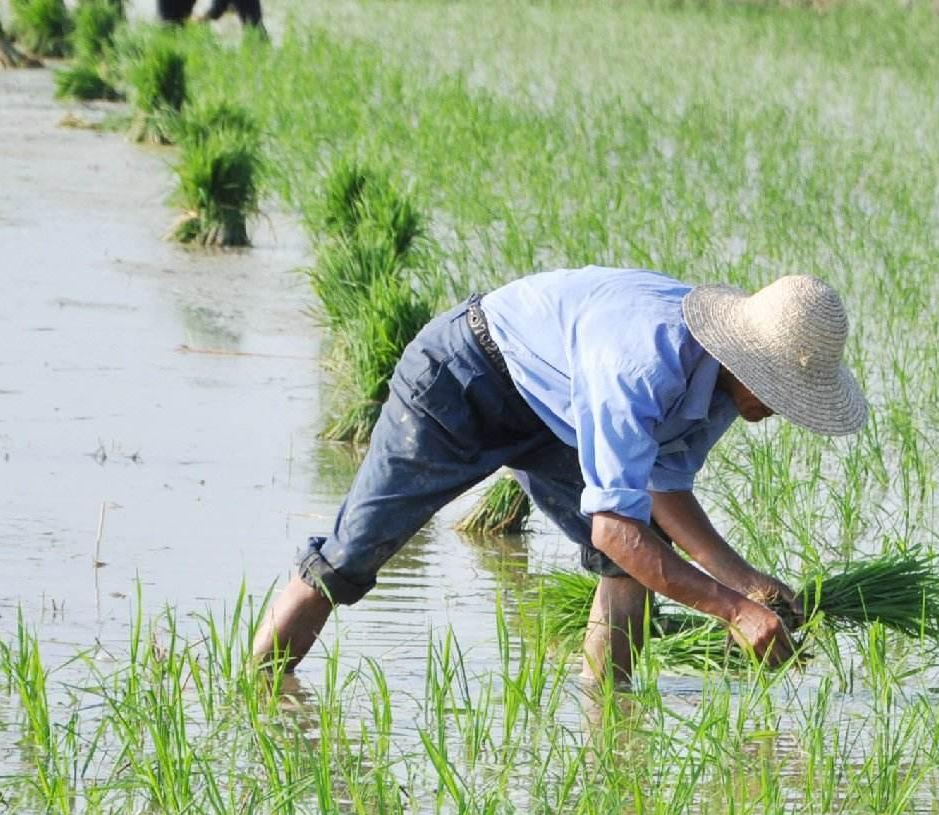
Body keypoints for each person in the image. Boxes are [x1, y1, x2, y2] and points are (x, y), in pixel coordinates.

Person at [251, 267, 867, 682]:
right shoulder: (643, 364)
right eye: (781, 392)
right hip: (463, 378)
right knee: (350, 557)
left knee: (631, 569)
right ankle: (254, 703)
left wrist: (748, 583)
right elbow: (613, 528)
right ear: (749, 360)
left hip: (555, 413)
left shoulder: (726, 389)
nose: (780, 410)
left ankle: (609, 727)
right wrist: (732, 611)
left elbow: (662, 488)